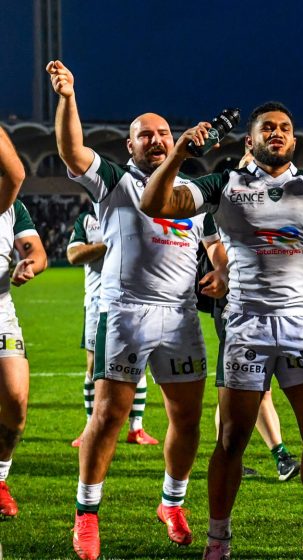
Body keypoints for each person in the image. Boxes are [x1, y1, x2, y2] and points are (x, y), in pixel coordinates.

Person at [140, 101, 303, 560]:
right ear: (250, 140)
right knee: (232, 439)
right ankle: (217, 540)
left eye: (284, 128)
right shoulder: (226, 184)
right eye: (267, 129)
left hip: (302, 327)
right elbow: (154, 203)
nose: (276, 134)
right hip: (245, 328)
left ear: (294, 141)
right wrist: (180, 153)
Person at [48, 59, 225, 560]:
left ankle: (171, 503)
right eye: (145, 135)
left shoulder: (191, 193)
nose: (156, 140)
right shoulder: (113, 181)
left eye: (163, 133)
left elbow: (214, 242)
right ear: (130, 146)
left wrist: (223, 270)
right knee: (107, 416)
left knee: (186, 418)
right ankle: (86, 515)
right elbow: (71, 150)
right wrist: (68, 97)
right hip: (124, 312)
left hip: (181, 316)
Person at [200, 150, 302, 482]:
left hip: (261, 303)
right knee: (250, 384)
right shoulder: (219, 204)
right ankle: (278, 456)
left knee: (247, 384)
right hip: (233, 303)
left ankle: (231, 454)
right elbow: (219, 258)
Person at [68, 208, 158, 448]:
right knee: (93, 365)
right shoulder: (87, 219)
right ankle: (90, 426)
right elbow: (74, 256)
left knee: (138, 364)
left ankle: (136, 428)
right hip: (97, 302)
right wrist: (110, 244)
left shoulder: (133, 212)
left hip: (134, 301)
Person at [0, 126, 43, 519]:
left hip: (0, 307)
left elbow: (37, 253)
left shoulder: (10, 204)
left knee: (15, 399)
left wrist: (30, 263)